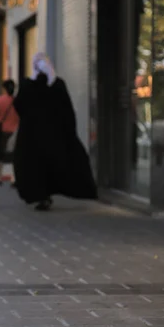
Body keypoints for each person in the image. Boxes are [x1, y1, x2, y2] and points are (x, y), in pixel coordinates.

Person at [12, 52, 97, 211]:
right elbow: (67, 110)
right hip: (54, 134)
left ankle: (41, 195)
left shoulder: (27, 85)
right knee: (53, 164)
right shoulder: (57, 84)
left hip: (31, 135)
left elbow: (19, 106)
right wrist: (69, 131)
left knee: (34, 166)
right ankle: (48, 193)